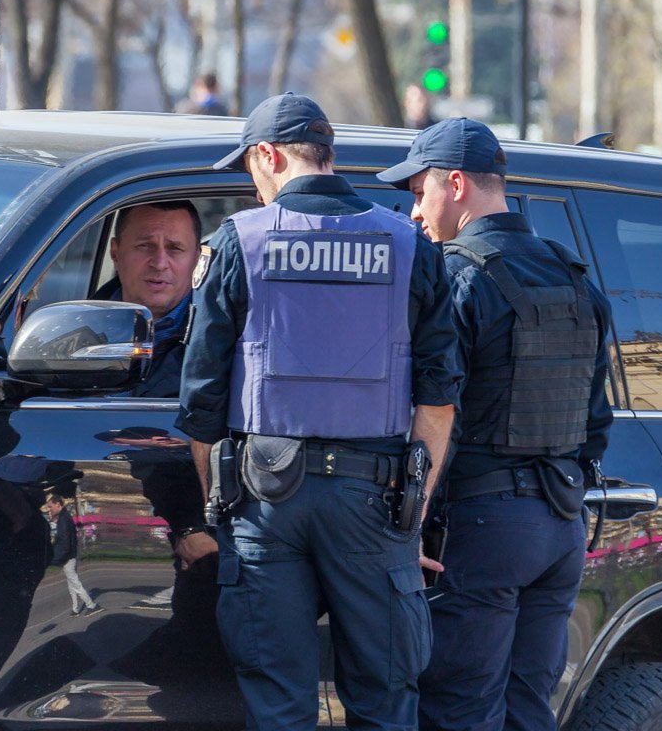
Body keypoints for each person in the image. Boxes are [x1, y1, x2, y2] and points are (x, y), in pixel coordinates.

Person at [178, 92, 460, 730]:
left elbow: (201, 403)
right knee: (385, 703)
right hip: (375, 501)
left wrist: (220, 510)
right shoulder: (409, 245)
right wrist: (408, 520)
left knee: (278, 704)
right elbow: (438, 404)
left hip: (264, 498)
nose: (253, 188)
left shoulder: (239, 242)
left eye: (250, 168)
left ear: (270, 155)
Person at [377, 117, 613, 731]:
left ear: (454, 184)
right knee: (528, 712)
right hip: (561, 527)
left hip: (482, 530)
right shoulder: (576, 277)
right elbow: (595, 417)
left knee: (459, 709)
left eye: (417, 191)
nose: (414, 209)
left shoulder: (457, 276)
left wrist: (407, 520)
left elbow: (431, 409)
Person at [92, 201, 202, 398]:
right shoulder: (80, 329)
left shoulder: (220, 339)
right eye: (145, 246)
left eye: (175, 248)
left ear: (197, 259)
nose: (160, 264)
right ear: (115, 253)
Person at [46, 493, 101, 617]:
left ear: (58, 505)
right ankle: (75, 609)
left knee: (74, 583)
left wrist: (55, 559)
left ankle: (91, 605)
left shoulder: (64, 520)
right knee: (71, 583)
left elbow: (64, 543)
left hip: (68, 557)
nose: (50, 509)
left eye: (50, 507)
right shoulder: (64, 517)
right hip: (70, 555)